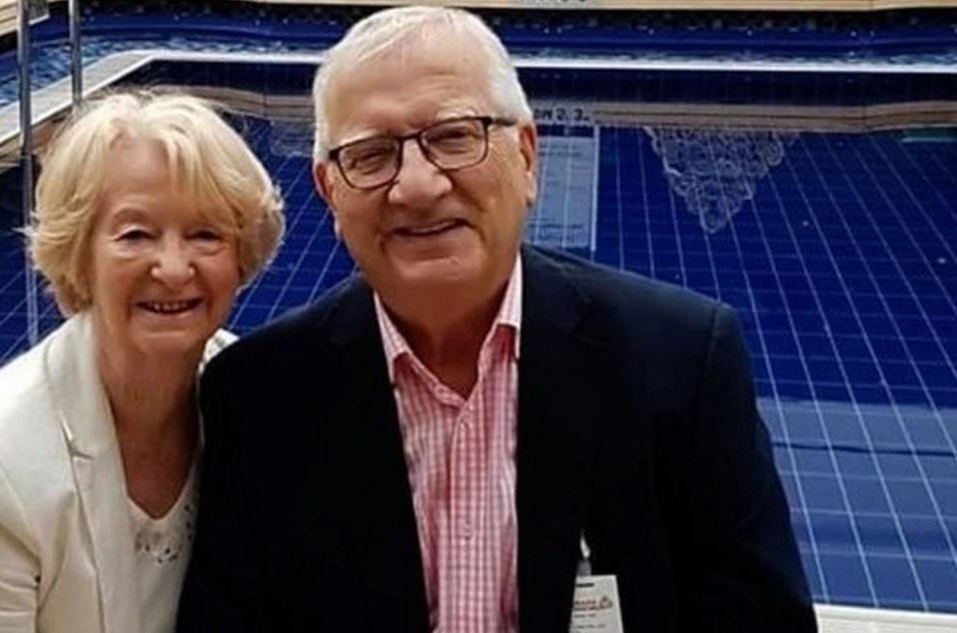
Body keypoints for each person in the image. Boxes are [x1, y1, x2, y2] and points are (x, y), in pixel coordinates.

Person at [178, 7, 815, 633]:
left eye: (454, 136)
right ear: (330, 191)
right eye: (371, 155)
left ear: (528, 158)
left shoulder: (678, 365)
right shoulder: (261, 398)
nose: (418, 186)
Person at [0, 92, 284, 633]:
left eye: (205, 234)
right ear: (79, 255)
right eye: (135, 235)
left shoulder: (259, 403)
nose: (172, 268)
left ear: (242, 255)